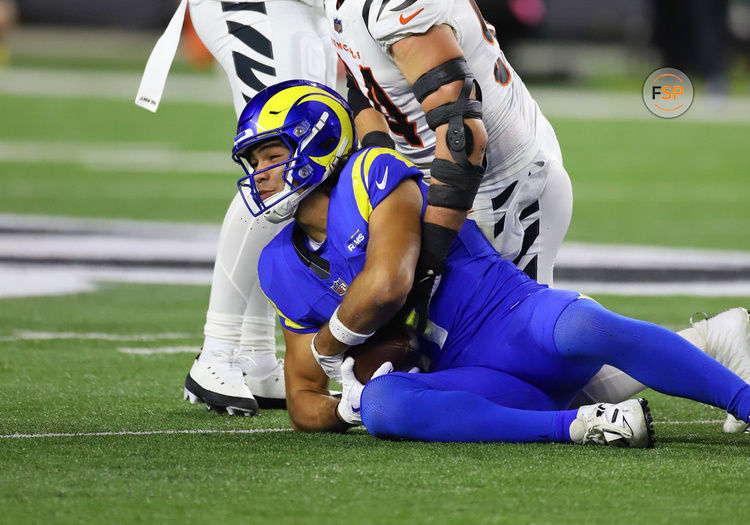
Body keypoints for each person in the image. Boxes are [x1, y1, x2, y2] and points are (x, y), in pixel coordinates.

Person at [139, 0, 750, 432]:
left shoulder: (392, 3)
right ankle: (643, 387)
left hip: (500, 188)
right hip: (447, 190)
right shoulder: (347, 9)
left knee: (536, 356)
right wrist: (372, 191)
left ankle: (711, 345)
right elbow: (367, 99)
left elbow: (462, 136)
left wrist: (415, 266)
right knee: (480, 373)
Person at [235, 79, 750, 445]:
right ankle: (582, 427)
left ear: (319, 141)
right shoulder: (280, 265)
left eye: (270, 156)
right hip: (468, 381)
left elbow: (387, 283)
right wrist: (342, 410)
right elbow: (303, 394)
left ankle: (743, 399)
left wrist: (330, 342)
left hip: (510, 319)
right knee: (384, 406)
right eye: (253, 163)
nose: (259, 175)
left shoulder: (370, 173)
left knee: (586, 325)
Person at [137, 0, 338, 415]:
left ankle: (257, 360)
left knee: (301, 162)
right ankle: (216, 353)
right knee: (286, 163)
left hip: (308, 10)